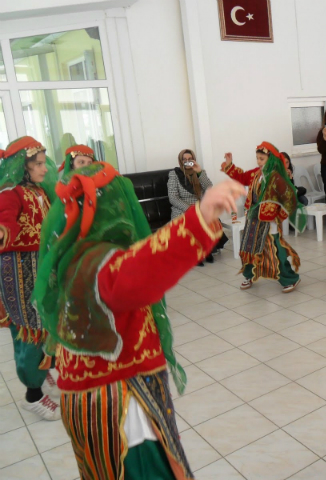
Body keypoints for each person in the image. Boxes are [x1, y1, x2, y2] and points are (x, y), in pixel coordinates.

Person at [33, 160, 246, 480]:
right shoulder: (96, 261)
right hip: (122, 413)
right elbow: (140, 272)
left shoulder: (70, 254)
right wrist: (199, 218)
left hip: (88, 401)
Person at [0, 137, 60, 420]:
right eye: (37, 164)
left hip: (42, 271)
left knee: (46, 323)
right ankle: (32, 395)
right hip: (19, 272)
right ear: (22, 167)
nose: (44, 169)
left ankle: (44, 368)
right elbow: (5, 226)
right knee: (28, 330)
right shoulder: (9, 195)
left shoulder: (38, 191)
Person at [222, 142, 306, 293]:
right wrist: (230, 165)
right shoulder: (256, 173)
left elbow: (289, 198)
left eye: (261, 159)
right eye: (257, 158)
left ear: (271, 158)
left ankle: (290, 278)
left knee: (275, 250)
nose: (258, 162)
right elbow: (241, 177)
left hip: (269, 220)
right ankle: (249, 275)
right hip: (253, 218)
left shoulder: (277, 177)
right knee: (248, 248)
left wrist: (279, 216)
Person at [168, 149, 226, 265]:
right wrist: (190, 209)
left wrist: (199, 173)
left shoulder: (199, 172)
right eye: (184, 159)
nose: (187, 162)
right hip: (182, 209)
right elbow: (173, 198)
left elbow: (209, 189)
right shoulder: (174, 174)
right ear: (180, 161)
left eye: (190, 159)